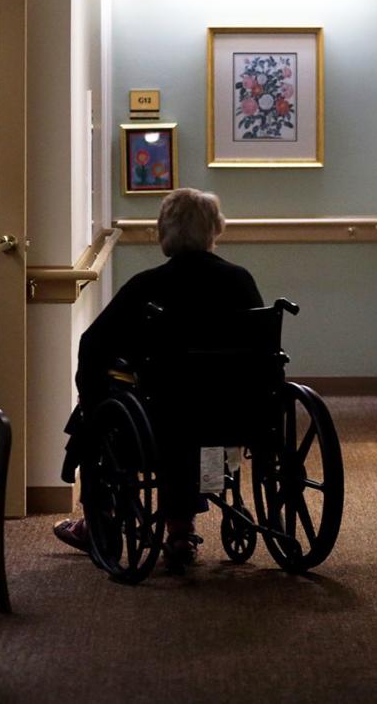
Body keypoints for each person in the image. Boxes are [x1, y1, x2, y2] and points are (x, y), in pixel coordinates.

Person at [53, 188, 263, 569]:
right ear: (215, 230)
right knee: (193, 423)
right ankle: (180, 530)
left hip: (162, 414)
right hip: (232, 414)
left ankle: (98, 523)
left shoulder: (146, 285)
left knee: (96, 417)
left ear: (163, 232)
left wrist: (90, 396)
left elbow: (93, 344)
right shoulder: (239, 281)